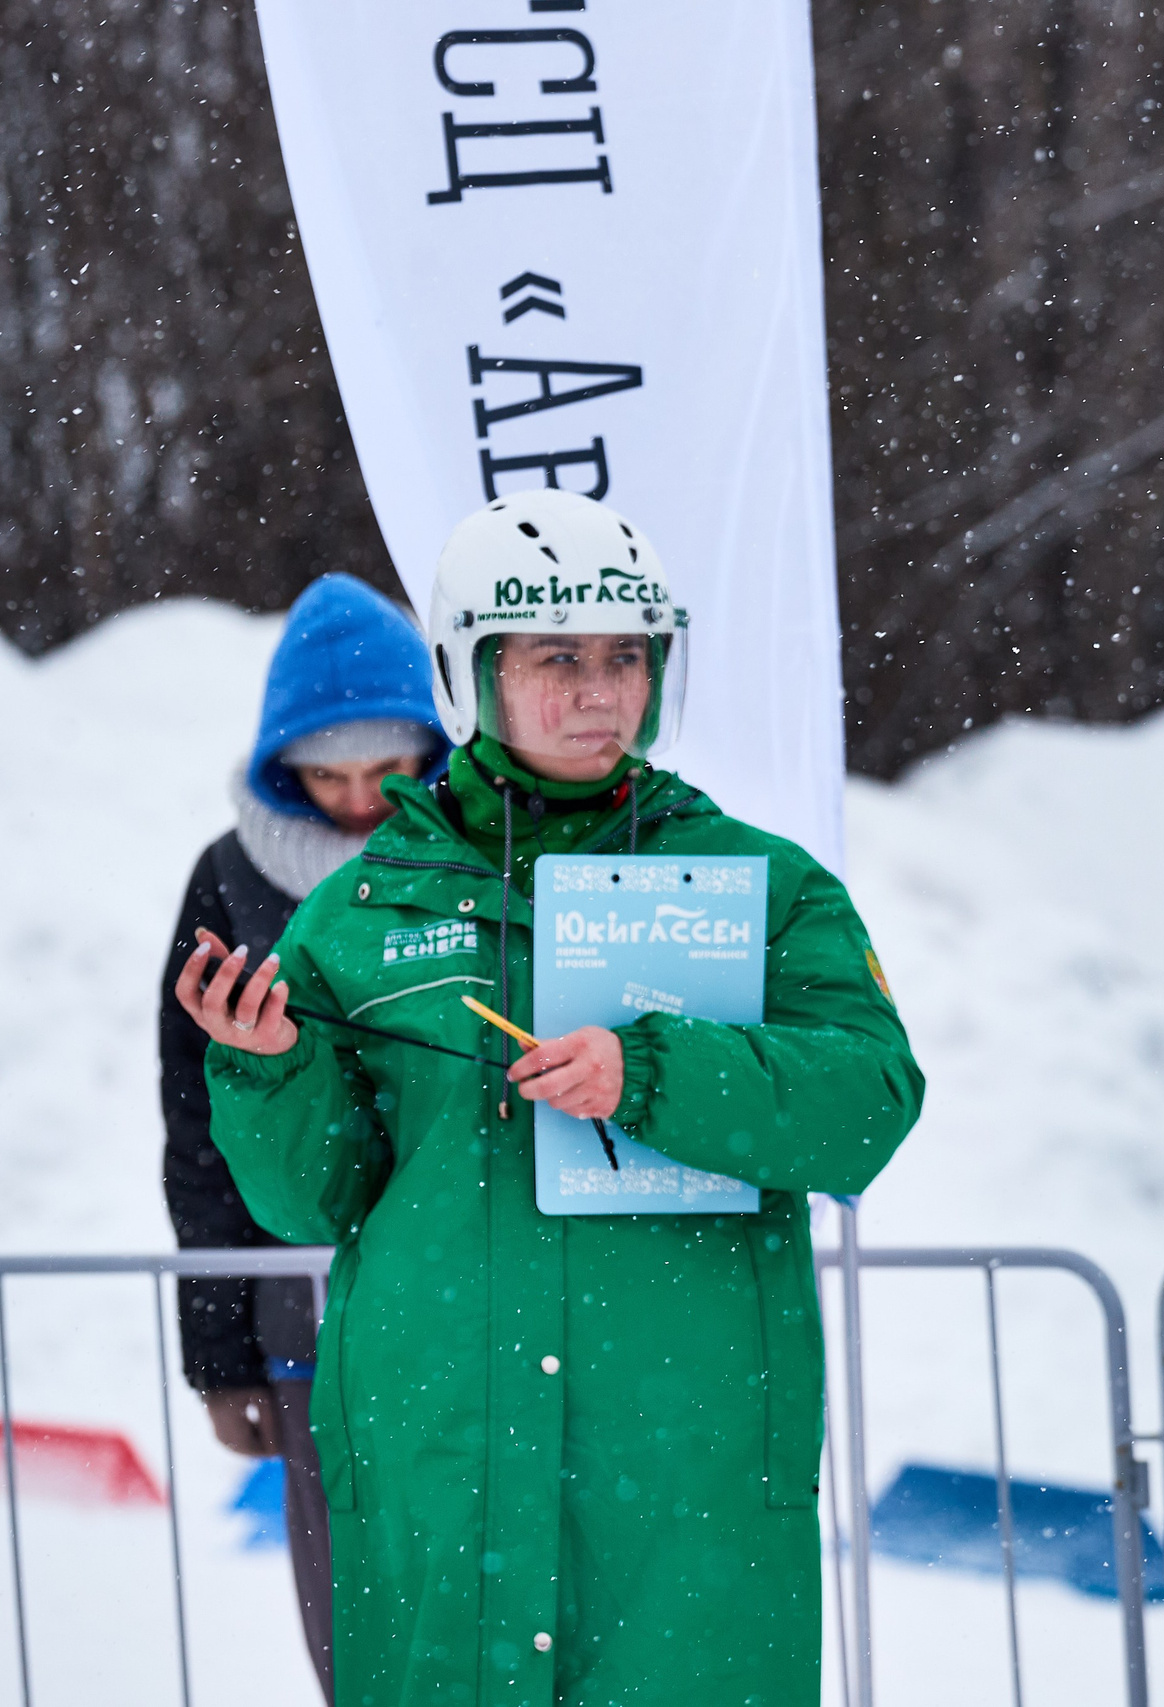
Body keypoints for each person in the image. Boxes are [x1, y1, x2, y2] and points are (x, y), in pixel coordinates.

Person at [174, 493, 924, 1707]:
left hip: (684, 1467)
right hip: (444, 1450)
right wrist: (266, 1069)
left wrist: (660, 1075)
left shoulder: (761, 884)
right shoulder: (362, 916)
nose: (599, 691)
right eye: (556, 657)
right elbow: (313, 1196)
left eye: (626, 655)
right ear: (471, 674)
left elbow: (869, 1105)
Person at [158, 572, 445, 1704]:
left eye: (389, 773)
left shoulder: (479, 864)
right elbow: (197, 1124)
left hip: (469, 1294)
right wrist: (219, 1351)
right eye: (327, 774)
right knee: (350, 1623)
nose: (359, 801)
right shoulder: (228, 879)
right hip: (305, 1315)